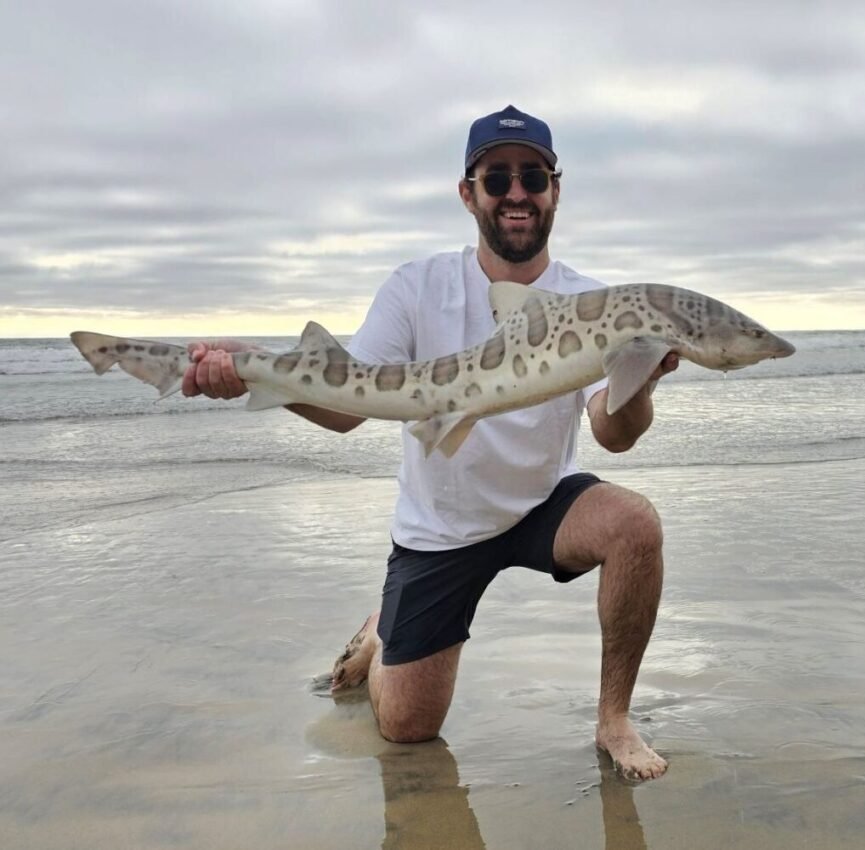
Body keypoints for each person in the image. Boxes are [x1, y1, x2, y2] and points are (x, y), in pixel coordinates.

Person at [183, 105, 678, 781]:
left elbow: (612, 435)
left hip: (541, 504)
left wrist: (639, 379)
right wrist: (253, 371)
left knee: (635, 525)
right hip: (440, 528)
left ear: (555, 190)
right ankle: (385, 626)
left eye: (532, 176)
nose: (516, 194)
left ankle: (614, 720)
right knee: (409, 729)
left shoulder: (591, 302)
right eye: (496, 178)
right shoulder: (418, 288)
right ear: (467, 192)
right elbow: (347, 406)